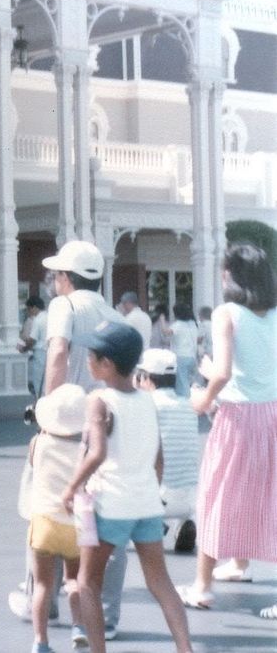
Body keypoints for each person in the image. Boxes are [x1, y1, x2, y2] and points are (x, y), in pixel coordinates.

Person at [11, 240, 127, 641]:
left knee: (45, 506)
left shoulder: (65, 306)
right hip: (103, 423)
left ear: (65, 278)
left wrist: (47, 407)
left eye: (56, 275)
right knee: (98, 517)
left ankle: (41, 600)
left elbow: (58, 352)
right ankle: (102, 613)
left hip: (65, 425)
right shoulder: (114, 316)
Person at [60, 321, 194, 653]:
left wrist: (71, 487)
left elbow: (97, 453)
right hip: (147, 503)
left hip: (111, 505)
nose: (87, 360)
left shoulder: (99, 400)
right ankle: (185, 648)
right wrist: (147, 490)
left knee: (88, 583)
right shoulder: (148, 401)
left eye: (91, 355)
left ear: (106, 364)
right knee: (161, 583)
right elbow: (159, 459)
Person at [176, 242, 276, 610]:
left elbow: (223, 371)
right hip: (272, 412)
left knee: (218, 493)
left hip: (239, 417)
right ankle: (238, 562)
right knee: (268, 494)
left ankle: (201, 586)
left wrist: (202, 398)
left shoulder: (226, 313)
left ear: (231, 275)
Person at [26, 384, 89, 653]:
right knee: (73, 580)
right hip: (75, 524)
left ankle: (41, 642)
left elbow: (32, 465)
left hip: (44, 521)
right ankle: (79, 627)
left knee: (42, 584)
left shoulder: (38, 442)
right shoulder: (86, 450)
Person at [135, 348, 200, 553]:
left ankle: (149, 522)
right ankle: (185, 522)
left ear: (145, 378)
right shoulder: (189, 406)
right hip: (190, 500)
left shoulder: (147, 405)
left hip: (156, 499)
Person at [160, 303, 198, 398]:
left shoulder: (178, 325)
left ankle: (185, 402)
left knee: (182, 383)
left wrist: (162, 320)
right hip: (192, 356)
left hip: (181, 357)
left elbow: (166, 332)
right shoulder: (193, 324)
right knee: (189, 381)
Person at [18, 296, 48, 399]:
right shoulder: (50, 317)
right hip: (50, 352)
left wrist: (23, 348)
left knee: (39, 382)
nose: (28, 312)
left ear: (34, 307)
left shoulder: (38, 320)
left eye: (28, 309)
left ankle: (40, 405)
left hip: (40, 353)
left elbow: (32, 340)